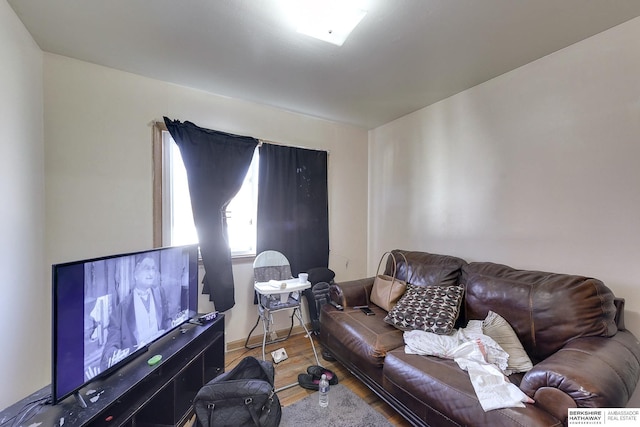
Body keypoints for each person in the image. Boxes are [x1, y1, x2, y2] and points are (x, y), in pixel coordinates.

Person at [100, 255, 171, 370]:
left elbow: (167, 321)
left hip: (161, 354)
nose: (151, 273)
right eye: (146, 268)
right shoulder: (122, 308)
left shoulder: (159, 293)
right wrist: (115, 355)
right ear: (135, 274)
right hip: (137, 365)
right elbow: (110, 348)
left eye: (153, 268)